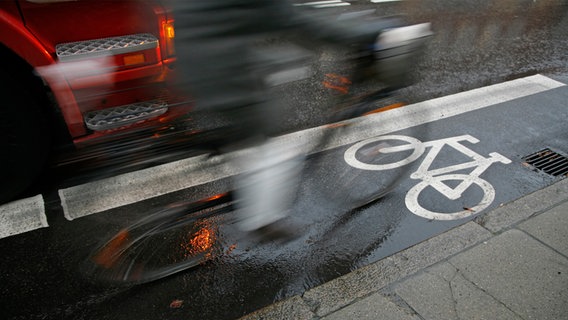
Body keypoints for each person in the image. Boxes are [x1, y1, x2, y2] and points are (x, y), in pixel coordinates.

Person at [171, 0, 405, 237]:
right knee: (272, 146)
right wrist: (368, 31)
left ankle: (236, 155)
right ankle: (263, 222)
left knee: (255, 114)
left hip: (194, 57)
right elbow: (298, 21)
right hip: (221, 75)